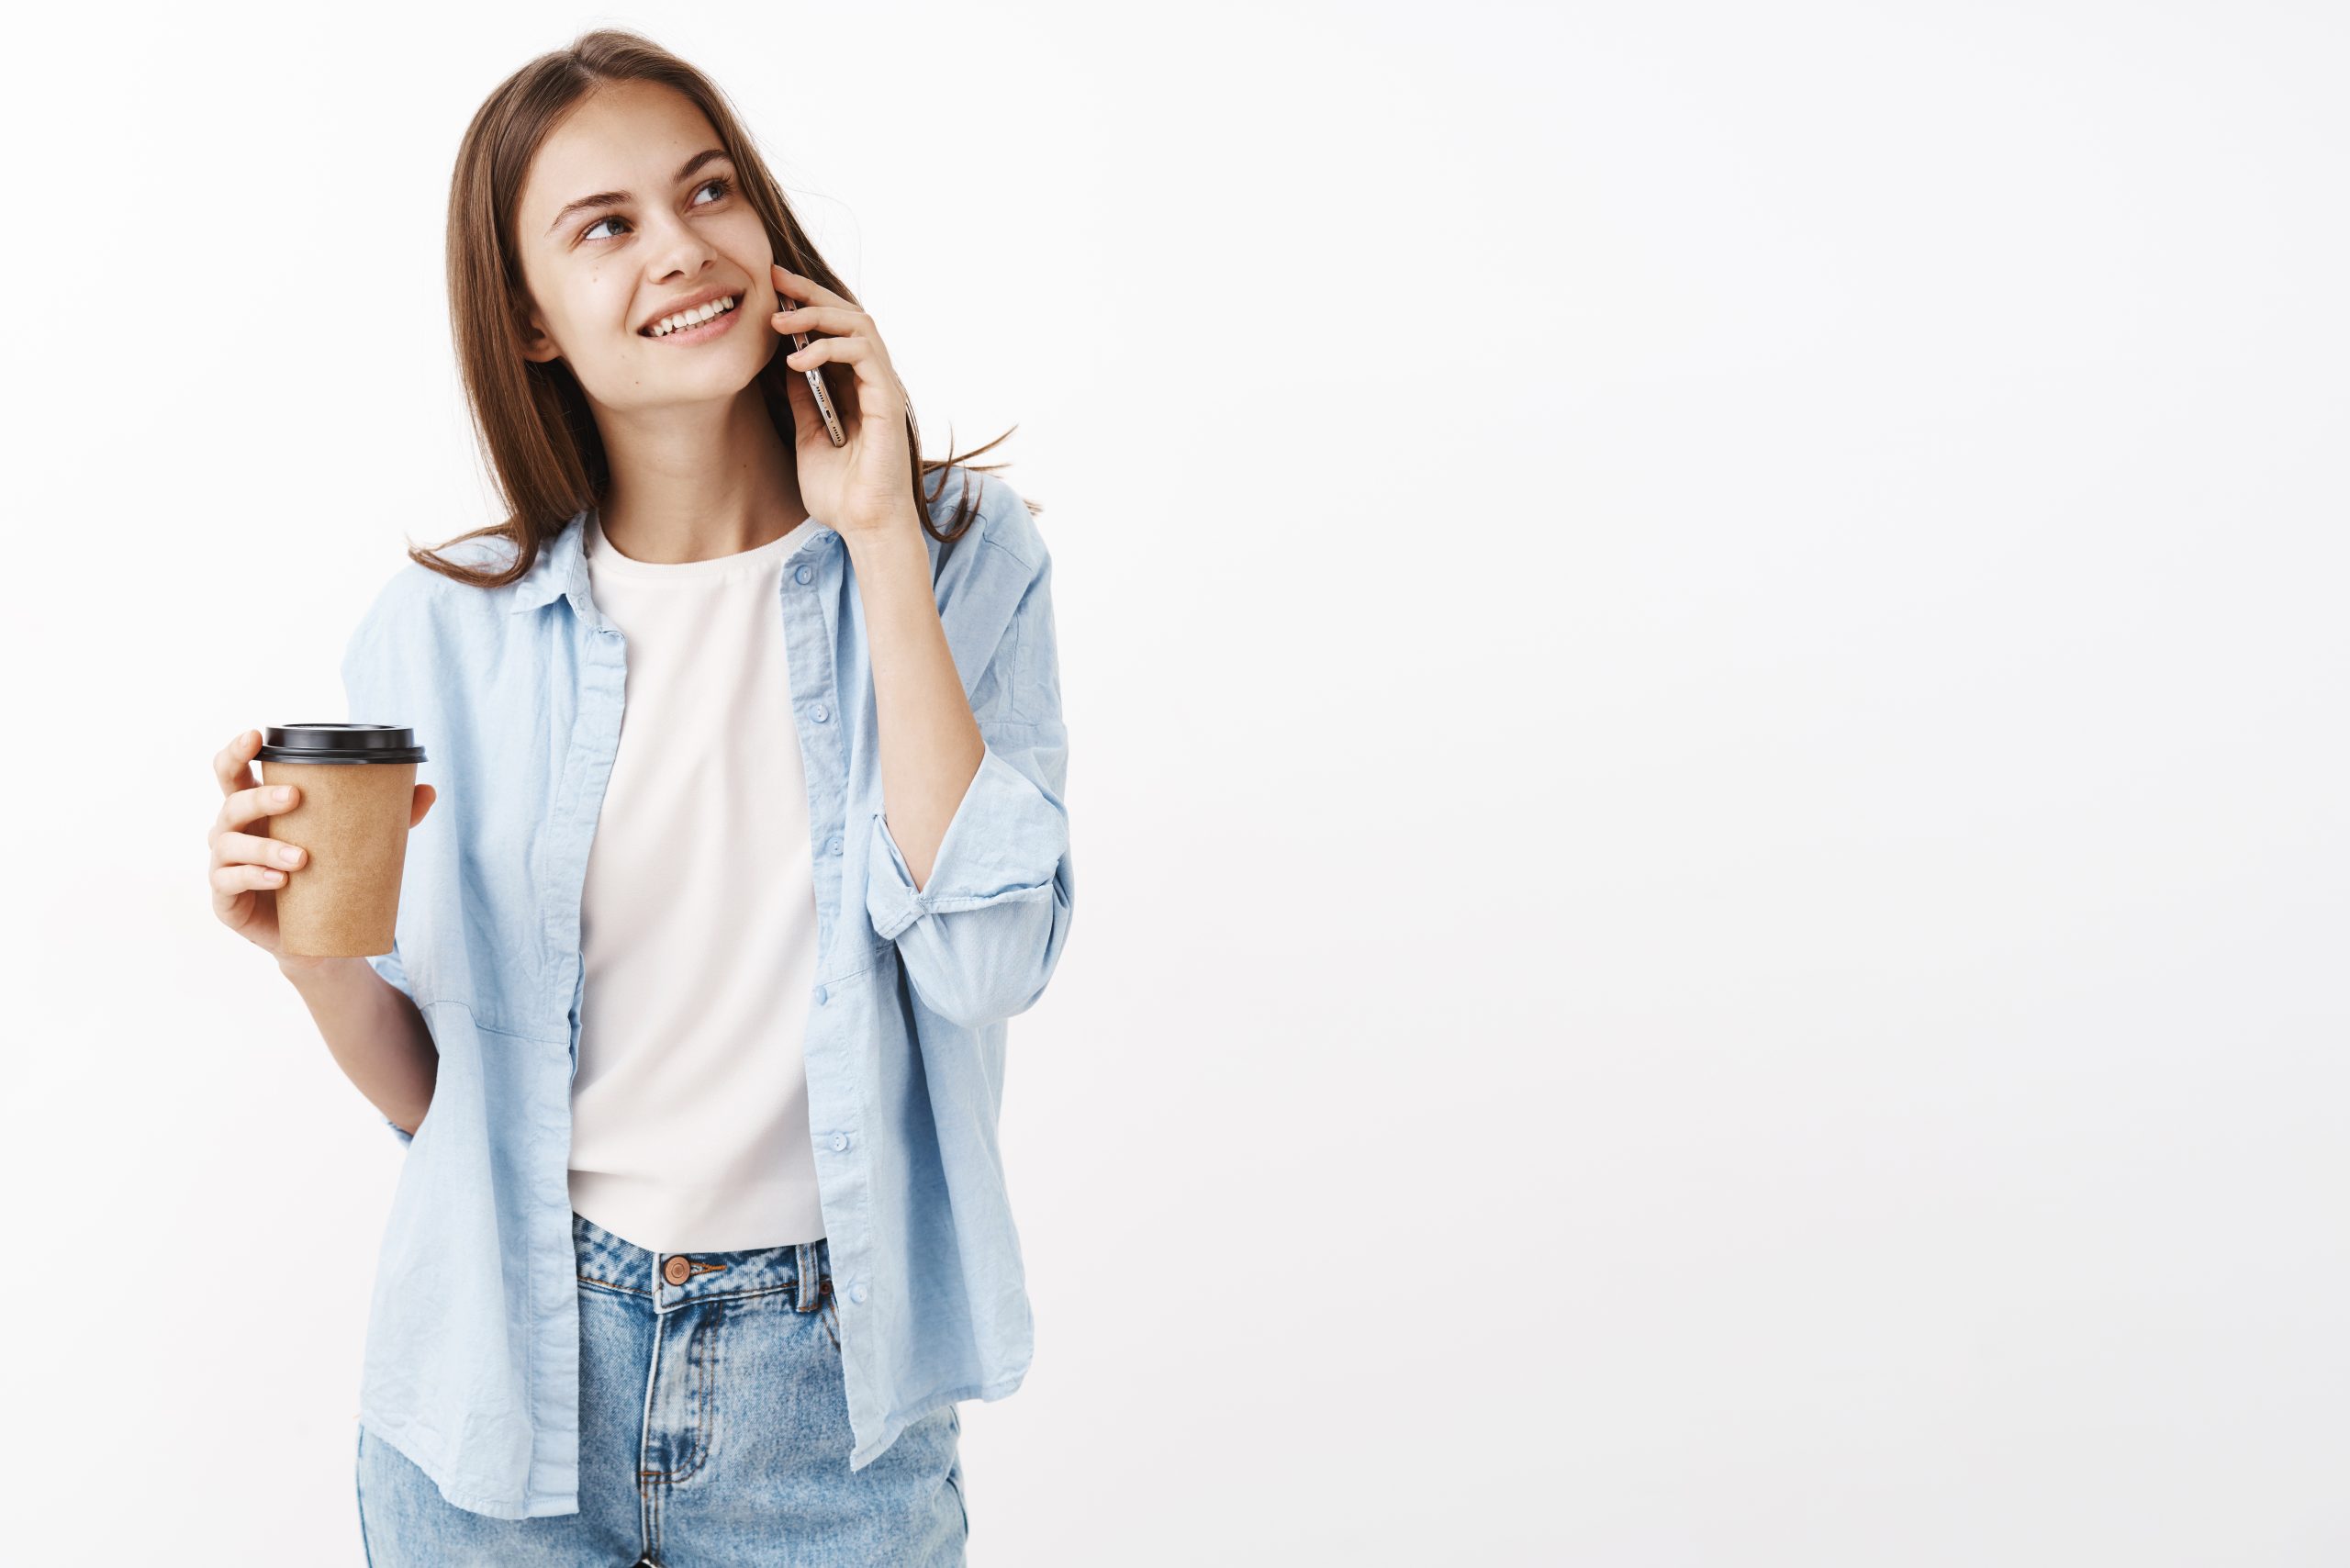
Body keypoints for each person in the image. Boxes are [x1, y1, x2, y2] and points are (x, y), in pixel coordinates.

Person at [203, 27, 1075, 1566]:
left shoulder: (959, 558)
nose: (680, 248)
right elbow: (438, 1105)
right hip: (502, 1402)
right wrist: (311, 958)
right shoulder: (442, 636)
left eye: (709, 191)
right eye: (603, 226)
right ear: (529, 322)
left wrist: (878, 531)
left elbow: (988, 962)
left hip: (830, 1411)